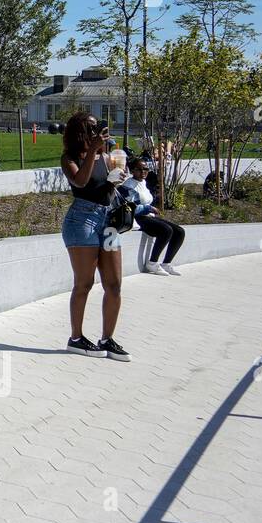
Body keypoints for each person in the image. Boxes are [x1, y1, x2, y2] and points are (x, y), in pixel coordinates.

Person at [59, 112, 130, 361]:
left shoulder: (107, 157)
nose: (96, 131)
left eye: (97, 126)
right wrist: (93, 151)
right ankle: (76, 338)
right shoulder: (69, 158)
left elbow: (105, 188)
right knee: (84, 283)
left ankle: (107, 338)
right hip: (82, 221)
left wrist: (117, 180)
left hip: (108, 221)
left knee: (114, 284)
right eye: (90, 127)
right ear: (79, 132)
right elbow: (80, 181)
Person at [119, 158, 185, 276]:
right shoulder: (128, 186)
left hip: (147, 216)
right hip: (137, 218)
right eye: (139, 169)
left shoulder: (143, 183)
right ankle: (152, 262)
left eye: (146, 169)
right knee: (166, 230)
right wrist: (148, 208)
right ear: (132, 170)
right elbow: (128, 207)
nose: (143, 171)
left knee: (180, 231)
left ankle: (166, 263)